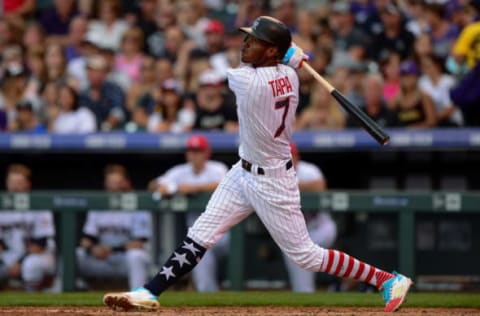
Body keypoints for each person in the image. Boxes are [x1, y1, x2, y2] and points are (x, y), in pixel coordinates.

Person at [103, 16, 412, 313]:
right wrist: (293, 55)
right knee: (201, 232)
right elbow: (284, 63)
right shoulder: (289, 75)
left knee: (305, 255)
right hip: (243, 170)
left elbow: (213, 72)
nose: (245, 43)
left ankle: (387, 279)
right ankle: (149, 291)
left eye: (255, 40)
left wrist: (292, 54)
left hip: (273, 180)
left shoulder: (248, 80)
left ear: (272, 51)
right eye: (247, 37)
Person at [149, 135, 228, 292]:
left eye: (198, 151)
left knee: (201, 250)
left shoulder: (217, 168)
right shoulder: (179, 172)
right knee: (200, 251)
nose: (194, 155)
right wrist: (170, 188)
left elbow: (224, 184)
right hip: (197, 234)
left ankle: (210, 294)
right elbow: (153, 185)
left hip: (224, 233)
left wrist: (193, 188)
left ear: (207, 153)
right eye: (191, 151)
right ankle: (208, 297)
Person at [76, 164, 152, 290]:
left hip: (124, 258)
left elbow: (139, 243)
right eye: (111, 183)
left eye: (118, 183)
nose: (114, 187)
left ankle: (138, 294)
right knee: (77, 254)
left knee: (136, 255)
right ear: (105, 184)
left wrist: (111, 249)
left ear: (126, 183)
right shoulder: (98, 206)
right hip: (102, 258)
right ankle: (73, 292)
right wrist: (93, 249)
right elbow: (86, 239)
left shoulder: (137, 205)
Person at [283, 143, 337, 292]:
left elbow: (319, 186)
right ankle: (305, 296)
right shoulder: (272, 173)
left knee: (303, 253)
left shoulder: (309, 170)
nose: (286, 160)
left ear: (297, 157)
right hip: (297, 233)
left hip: (320, 228)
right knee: (297, 253)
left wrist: (290, 185)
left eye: (289, 156)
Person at [0, 164, 56, 291]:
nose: (14, 187)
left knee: (31, 265)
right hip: (9, 255)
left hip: (39, 255)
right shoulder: (2, 206)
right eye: (11, 182)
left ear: (27, 184)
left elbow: (40, 244)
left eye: (19, 183)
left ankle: (31, 300)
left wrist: (18, 262)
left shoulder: (40, 205)